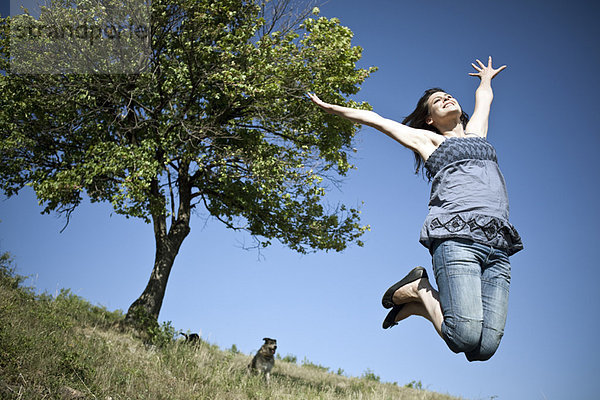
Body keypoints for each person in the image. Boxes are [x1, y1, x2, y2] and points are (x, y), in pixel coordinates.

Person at [308, 56, 522, 362]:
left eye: (448, 95)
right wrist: (333, 109)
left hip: (498, 244)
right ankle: (421, 289)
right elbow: (377, 119)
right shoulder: (429, 141)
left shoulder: (478, 135)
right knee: (463, 336)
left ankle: (418, 304)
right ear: (430, 119)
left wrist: (486, 79)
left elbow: (484, 100)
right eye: (437, 100)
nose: (447, 97)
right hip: (457, 238)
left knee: (483, 350)